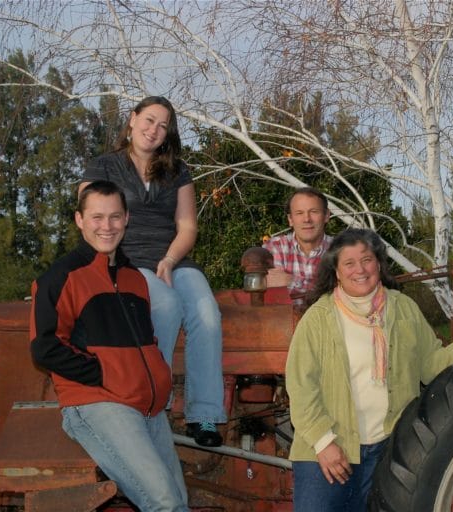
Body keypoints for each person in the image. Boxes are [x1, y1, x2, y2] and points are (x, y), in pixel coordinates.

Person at [285, 228, 453, 511]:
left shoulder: (403, 307)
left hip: (387, 450)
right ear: (336, 272)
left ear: (378, 264)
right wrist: (324, 443)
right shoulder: (318, 318)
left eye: (367, 260)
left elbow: (429, 364)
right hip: (328, 451)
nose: (360, 270)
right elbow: (301, 387)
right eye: (349, 263)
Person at [30, 181, 189, 511]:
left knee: (180, 502)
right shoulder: (61, 277)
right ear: (79, 220)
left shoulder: (134, 278)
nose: (107, 226)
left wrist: (156, 375)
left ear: (127, 218)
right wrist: (106, 374)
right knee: (165, 503)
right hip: (98, 402)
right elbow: (45, 347)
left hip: (147, 407)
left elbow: (145, 342)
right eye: (97, 217)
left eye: (115, 216)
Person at [80, 96, 226, 447]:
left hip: (171, 257)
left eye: (163, 125)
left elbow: (187, 226)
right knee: (165, 304)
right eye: (149, 120)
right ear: (132, 120)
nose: (154, 130)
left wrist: (170, 260)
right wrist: (109, 258)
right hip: (125, 258)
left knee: (207, 312)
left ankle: (204, 414)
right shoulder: (103, 167)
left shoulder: (177, 171)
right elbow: (90, 221)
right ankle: (154, 401)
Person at [262, 187, 333, 300]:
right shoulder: (274, 248)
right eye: (299, 213)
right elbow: (270, 293)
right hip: (284, 312)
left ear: (326, 215)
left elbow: (344, 294)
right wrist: (323, 289)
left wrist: (291, 281)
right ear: (290, 219)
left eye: (314, 212)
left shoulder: (340, 250)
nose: (307, 219)